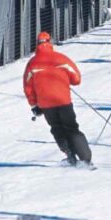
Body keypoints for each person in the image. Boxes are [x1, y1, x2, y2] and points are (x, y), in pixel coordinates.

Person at [23, 32, 93, 167]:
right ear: (50, 42)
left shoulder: (32, 63)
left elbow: (28, 87)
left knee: (56, 128)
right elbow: (76, 79)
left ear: (37, 43)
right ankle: (86, 158)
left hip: (46, 104)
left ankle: (70, 154)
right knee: (72, 128)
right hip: (63, 100)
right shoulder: (61, 59)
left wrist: (34, 105)